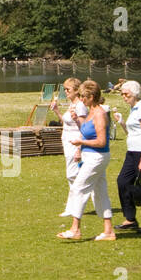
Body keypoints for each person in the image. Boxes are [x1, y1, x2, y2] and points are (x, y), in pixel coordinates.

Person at [59, 79, 115, 241]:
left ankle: (75, 228)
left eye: (84, 96)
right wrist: (77, 119)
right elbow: (86, 129)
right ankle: (108, 231)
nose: (82, 99)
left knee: (79, 187)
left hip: (97, 157)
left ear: (92, 96)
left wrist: (81, 142)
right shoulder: (91, 111)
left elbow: (102, 141)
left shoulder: (100, 114)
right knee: (100, 191)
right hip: (90, 156)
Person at [114, 81, 141, 233]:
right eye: (122, 94)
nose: (123, 97)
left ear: (134, 93)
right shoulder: (133, 109)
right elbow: (132, 133)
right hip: (132, 152)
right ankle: (130, 218)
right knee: (122, 181)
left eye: (125, 94)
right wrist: (121, 122)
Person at [49, 77, 83, 217]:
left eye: (68, 89)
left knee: (72, 175)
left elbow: (83, 127)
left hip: (74, 143)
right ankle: (73, 206)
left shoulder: (80, 106)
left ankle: (73, 207)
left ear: (76, 91)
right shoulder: (72, 104)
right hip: (67, 142)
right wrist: (57, 111)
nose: (66, 92)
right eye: (65, 89)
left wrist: (79, 148)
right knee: (72, 175)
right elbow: (67, 123)